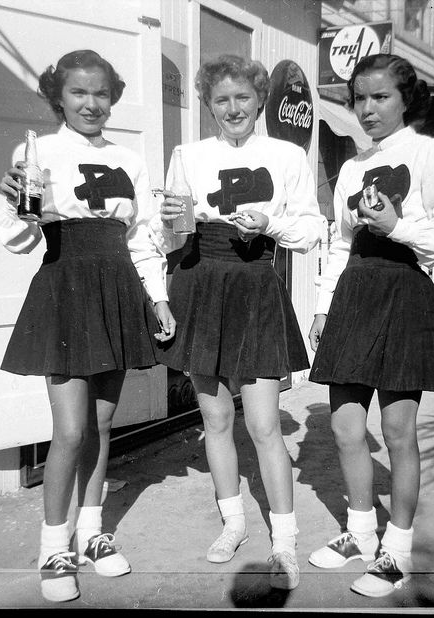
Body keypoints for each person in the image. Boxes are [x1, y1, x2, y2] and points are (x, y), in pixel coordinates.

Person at [0, 50, 175, 603]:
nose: (91, 103)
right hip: (65, 287)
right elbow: (16, 235)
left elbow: (144, 238)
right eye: (78, 93)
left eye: (101, 93)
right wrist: (23, 208)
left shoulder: (130, 158)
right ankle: (54, 547)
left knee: (100, 425)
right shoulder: (37, 152)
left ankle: (93, 533)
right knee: (69, 431)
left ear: (112, 97)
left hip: (116, 289)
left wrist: (159, 301)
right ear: (59, 97)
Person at [152, 54, 325, 590]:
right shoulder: (188, 154)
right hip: (200, 281)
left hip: (254, 283)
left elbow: (312, 228)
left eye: (243, 98)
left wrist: (269, 222)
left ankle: (285, 543)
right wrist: (168, 225)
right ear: (208, 105)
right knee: (216, 421)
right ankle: (233, 524)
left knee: (264, 425)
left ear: (260, 100)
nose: (233, 109)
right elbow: (170, 233)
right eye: (221, 100)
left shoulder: (287, 155)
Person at [307, 53, 434, 597]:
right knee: (345, 428)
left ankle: (395, 551)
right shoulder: (352, 167)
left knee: (398, 434)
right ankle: (358, 532)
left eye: (380, 97)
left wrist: (399, 226)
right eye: (359, 98)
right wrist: (323, 306)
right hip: (354, 293)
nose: (367, 108)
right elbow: (338, 242)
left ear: (405, 99)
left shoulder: (432, 152)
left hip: (403, 293)